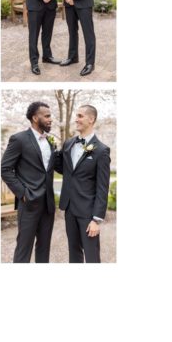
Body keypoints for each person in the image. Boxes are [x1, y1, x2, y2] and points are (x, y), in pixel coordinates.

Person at [1, 101, 59, 263]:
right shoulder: (19, 139)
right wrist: (23, 194)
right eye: (46, 116)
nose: (50, 119)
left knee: (44, 248)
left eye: (50, 116)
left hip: (48, 204)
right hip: (29, 203)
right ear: (35, 118)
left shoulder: (50, 141)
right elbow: (5, 169)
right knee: (23, 249)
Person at [56, 105, 111, 263]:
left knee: (92, 255)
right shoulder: (68, 144)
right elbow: (66, 171)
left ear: (91, 119)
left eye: (80, 116)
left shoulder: (101, 151)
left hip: (88, 212)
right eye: (76, 116)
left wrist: (96, 219)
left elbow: (102, 187)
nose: (76, 119)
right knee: (73, 253)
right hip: (69, 209)